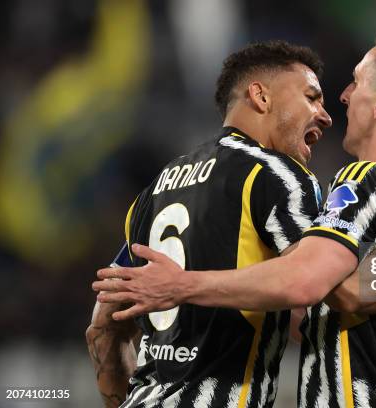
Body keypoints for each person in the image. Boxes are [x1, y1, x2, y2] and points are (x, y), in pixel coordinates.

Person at [95, 16, 376, 407]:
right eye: (311, 95)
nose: (336, 101)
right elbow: (328, 301)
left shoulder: (365, 181)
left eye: (353, 83)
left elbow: (324, 286)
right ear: (260, 96)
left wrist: (181, 289)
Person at [86, 40, 332, 408]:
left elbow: (104, 327)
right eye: (312, 97)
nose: (325, 115)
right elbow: (314, 292)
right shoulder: (277, 175)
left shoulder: (153, 192)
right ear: (261, 97)